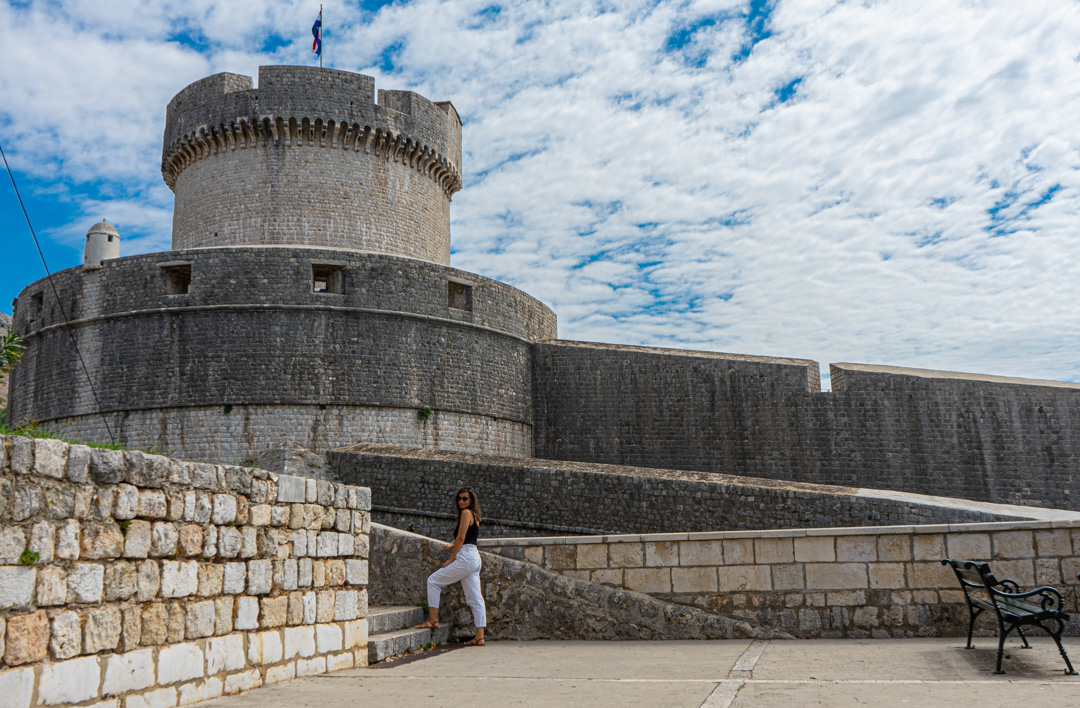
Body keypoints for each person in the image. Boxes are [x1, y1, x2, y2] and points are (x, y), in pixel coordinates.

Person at [415, 486, 487, 646]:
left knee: (433, 581)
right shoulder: (475, 515)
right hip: (474, 556)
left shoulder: (466, 513)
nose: (461, 501)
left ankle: (433, 620)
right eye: (459, 498)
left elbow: (461, 538)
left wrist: (451, 558)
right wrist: (452, 546)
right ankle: (480, 636)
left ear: (471, 500)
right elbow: (468, 538)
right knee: (476, 598)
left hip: (466, 557)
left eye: (464, 499)